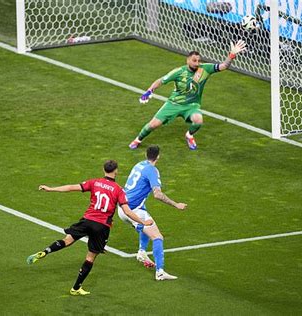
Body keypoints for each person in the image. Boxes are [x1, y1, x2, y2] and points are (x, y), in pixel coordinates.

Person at [27, 160, 153, 295]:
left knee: (67, 240)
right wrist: (142, 222)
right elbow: (127, 211)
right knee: (90, 257)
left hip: (87, 220)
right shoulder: (118, 190)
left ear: (103, 169)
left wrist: (51, 188)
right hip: (102, 226)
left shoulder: (94, 182)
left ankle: (45, 251)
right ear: (116, 171)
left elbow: (70, 187)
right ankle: (75, 288)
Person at [129, 40, 247, 150]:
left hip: (192, 105)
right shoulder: (179, 72)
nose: (197, 63)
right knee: (153, 125)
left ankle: (189, 135)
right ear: (188, 60)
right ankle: (138, 139)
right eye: (194, 60)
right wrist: (149, 91)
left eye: (198, 61)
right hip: (174, 104)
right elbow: (161, 80)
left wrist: (231, 55)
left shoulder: (205, 69)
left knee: (198, 120)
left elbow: (224, 66)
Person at [118, 145, 187, 280]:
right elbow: (157, 194)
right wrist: (176, 204)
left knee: (147, 222)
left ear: (146, 154)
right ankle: (160, 272)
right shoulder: (152, 170)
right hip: (133, 211)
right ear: (158, 157)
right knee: (157, 237)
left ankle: (142, 251)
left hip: (122, 209)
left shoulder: (138, 165)